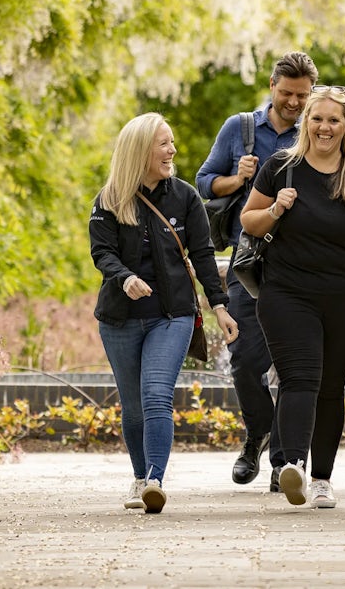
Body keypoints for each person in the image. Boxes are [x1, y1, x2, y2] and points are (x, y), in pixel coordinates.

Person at [239, 85, 345, 509]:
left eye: (333, 120)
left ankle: (322, 478)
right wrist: (275, 210)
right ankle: (293, 465)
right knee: (300, 376)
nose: (324, 127)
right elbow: (248, 221)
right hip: (287, 292)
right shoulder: (280, 167)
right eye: (317, 118)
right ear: (306, 122)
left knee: (330, 386)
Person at [90, 113, 240, 514]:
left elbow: (204, 256)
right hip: (120, 318)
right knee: (134, 404)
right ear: (140, 150)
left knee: (156, 395)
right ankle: (140, 478)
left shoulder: (187, 197)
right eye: (163, 144)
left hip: (172, 315)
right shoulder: (108, 199)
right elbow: (101, 253)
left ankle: (155, 480)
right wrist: (124, 278)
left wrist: (219, 307)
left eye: (172, 143)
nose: (172, 151)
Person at [196, 52, 318, 491]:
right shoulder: (240, 129)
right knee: (245, 359)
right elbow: (203, 181)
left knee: (292, 364)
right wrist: (236, 178)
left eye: (302, 96)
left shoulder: (318, 131)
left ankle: (283, 463)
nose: (293, 103)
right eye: (287, 93)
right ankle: (257, 433)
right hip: (248, 262)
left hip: (302, 262)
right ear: (271, 85)